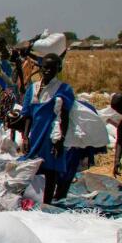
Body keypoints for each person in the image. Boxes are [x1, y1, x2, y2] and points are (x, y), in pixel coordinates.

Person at [19, 54, 76, 203]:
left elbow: (64, 117)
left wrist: (59, 140)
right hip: (36, 136)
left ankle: (47, 204)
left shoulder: (63, 89)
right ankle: (29, 201)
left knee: (51, 171)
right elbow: (28, 115)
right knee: (31, 168)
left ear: (59, 69)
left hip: (51, 136)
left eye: (52, 68)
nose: (48, 71)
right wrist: (25, 137)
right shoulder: (33, 88)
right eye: (45, 67)